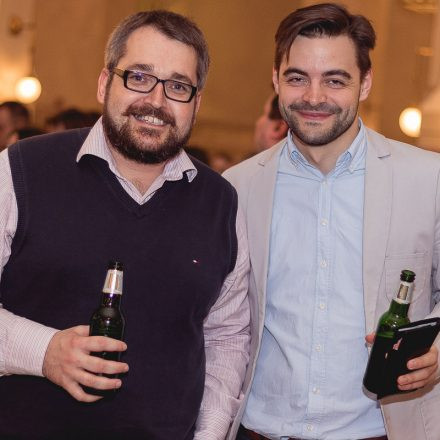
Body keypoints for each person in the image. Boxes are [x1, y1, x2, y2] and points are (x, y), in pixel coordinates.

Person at [0, 10, 250, 440]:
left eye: (177, 86)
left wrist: (208, 434)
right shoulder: (20, 171)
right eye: (139, 76)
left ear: (196, 103)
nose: (155, 100)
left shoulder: (221, 203)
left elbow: (226, 337)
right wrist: (44, 352)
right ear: (104, 83)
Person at [224, 3, 440, 440]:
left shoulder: (428, 178)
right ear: (275, 79)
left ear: (365, 83)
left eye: (335, 79)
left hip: (385, 430)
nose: (314, 97)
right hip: (260, 431)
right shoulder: (237, 188)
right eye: (297, 77)